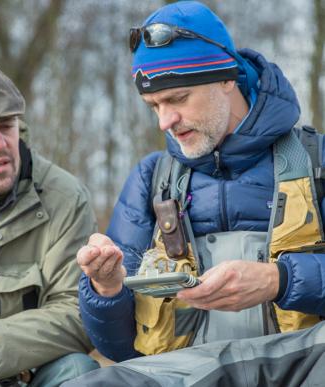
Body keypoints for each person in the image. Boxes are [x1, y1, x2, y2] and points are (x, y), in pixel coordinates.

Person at [77, 0, 325, 365]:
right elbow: (119, 349)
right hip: (185, 374)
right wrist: (106, 288)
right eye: (153, 106)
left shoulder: (315, 160)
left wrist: (279, 280)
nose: (165, 121)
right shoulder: (150, 179)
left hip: (302, 367)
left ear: (227, 78)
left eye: (177, 99)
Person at [0, 59, 99, 387]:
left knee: (78, 372)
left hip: (19, 378)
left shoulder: (63, 199)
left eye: (6, 126)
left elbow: (77, 313)